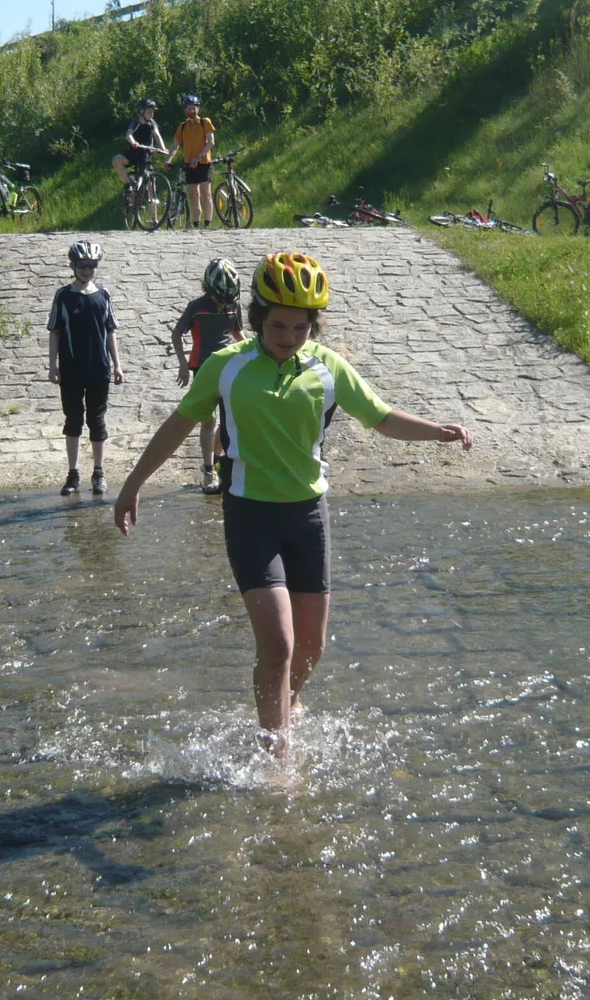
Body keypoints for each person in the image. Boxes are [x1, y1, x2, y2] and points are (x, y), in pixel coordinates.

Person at [114, 251, 472, 757]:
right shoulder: (226, 366)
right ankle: (275, 757)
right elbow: (176, 428)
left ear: (313, 325)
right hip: (250, 515)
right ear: (258, 318)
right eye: (278, 325)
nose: (288, 337)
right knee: (278, 645)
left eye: (301, 328)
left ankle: (287, 700)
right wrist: (132, 485)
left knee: (311, 648)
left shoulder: (326, 369)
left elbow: (382, 417)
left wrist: (437, 432)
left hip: (309, 517)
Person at [47, 240, 124, 497]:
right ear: (73, 265)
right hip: (70, 369)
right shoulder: (63, 296)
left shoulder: (103, 295)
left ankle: (99, 473)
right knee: (73, 420)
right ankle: (73, 473)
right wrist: (52, 366)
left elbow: (110, 331)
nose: (87, 270)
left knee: (97, 420)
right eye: (82, 265)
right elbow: (55, 332)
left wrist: (118, 366)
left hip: (99, 369)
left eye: (92, 265)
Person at [169, 257, 244, 494]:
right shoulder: (196, 307)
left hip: (229, 366)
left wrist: (256, 352)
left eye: (227, 301)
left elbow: (237, 332)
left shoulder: (233, 305)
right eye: (220, 300)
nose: (224, 305)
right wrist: (182, 364)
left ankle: (216, 457)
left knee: (231, 418)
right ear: (209, 290)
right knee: (208, 420)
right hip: (203, 367)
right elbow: (177, 334)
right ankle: (208, 470)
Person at [171, 93, 216, 228]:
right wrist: (168, 159)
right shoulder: (183, 126)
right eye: (189, 108)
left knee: (205, 192)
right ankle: (196, 224)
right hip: (189, 163)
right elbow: (175, 145)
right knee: (193, 195)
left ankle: (207, 224)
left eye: (193, 108)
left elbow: (211, 142)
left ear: (198, 109)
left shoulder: (205, 122)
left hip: (203, 163)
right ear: (185, 110)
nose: (191, 111)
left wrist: (198, 157)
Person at [111, 98, 170, 188]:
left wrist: (163, 148)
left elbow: (157, 136)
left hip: (145, 156)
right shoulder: (136, 123)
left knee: (148, 177)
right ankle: (128, 184)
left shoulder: (152, 123)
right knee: (116, 160)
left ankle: (152, 200)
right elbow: (129, 134)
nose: (152, 114)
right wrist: (134, 143)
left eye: (153, 112)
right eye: (149, 112)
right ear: (141, 112)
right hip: (133, 154)